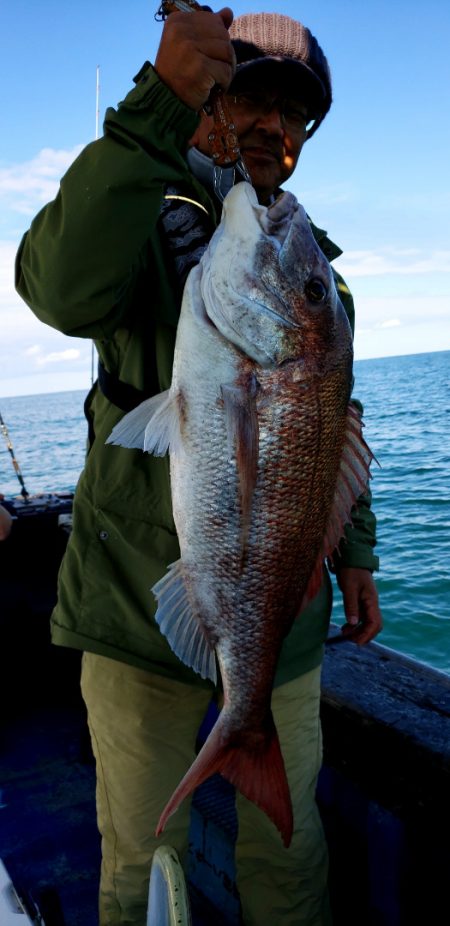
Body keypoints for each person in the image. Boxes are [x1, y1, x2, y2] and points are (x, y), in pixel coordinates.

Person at [15, 8, 382, 925]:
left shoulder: (313, 281)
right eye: (252, 96)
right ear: (209, 103)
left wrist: (356, 557)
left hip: (283, 634)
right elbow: (56, 288)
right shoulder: (149, 221)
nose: (273, 127)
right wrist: (155, 112)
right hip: (139, 619)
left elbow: (336, 425)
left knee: (292, 858)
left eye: (295, 117)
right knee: (142, 866)